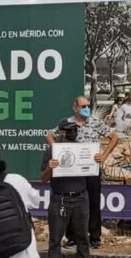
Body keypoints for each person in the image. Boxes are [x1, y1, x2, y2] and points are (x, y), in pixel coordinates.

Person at [48, 96, 119, 250]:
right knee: (72, 202)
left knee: (93, 201)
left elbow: (114, 137)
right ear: (75, 108)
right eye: (83, 106)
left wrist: (105, 155)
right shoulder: (66, 123)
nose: (86, 108)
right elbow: (49, 135)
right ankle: (72, 236)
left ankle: (94, 237)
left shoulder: (95, 122)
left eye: (88, 105)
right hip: (73, 170)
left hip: (91, 168)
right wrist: (58, 151)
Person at [42, 116, 104, 258]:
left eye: (74, 130)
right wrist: (50, 168)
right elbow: (43, 179)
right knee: (55, 238)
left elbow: (93, 171)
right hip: (59, 198)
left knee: (83, 236)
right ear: (61, 132)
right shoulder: (52, 151)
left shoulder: (85, 149)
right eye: (68, 130)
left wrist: (99, 159)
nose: (72, 133)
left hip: (80, 197)